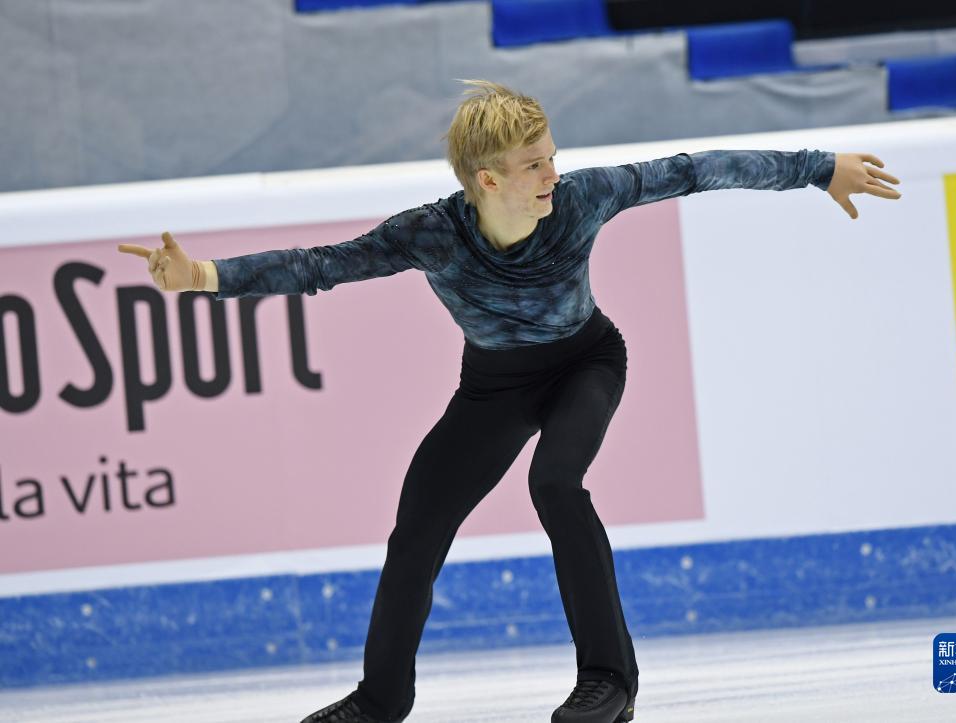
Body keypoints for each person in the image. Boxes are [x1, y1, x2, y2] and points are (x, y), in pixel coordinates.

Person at [118, 80, 901, 723]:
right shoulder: (432, 234)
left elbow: (692, 169)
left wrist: (816, 166)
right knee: (416, 528)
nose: (552, 173)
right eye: (533, 165)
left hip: (586, 362)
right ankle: (381, 698)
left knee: (555, 482)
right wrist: (202, 277)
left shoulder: (584, 198)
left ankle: (608, 679)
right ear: (486, 180)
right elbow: (321, 264)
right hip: (492, 385)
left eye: (551, 155)